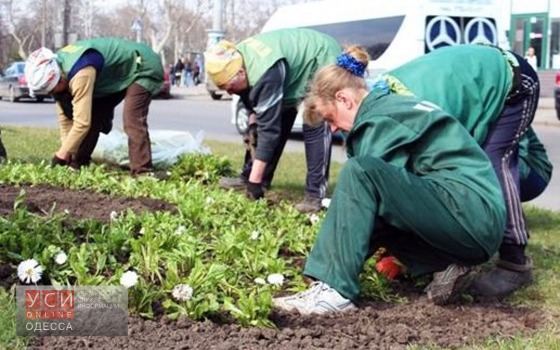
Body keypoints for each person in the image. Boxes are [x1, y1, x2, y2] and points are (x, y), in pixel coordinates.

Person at [273, 46, 506, 315]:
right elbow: (389, 207)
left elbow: (365, 204)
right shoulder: (390, 106)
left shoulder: (378, 119)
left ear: (344, 99)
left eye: (330, 118)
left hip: (469, 214)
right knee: (372, 196)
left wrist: (327, 269)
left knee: (360, 172)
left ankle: (333, 292)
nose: (333, 129)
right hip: (473, 220)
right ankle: (447, 265)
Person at [375, 44, 540, 297]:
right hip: (472, 86)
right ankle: (457, 248)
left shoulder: (409, 112)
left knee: (493, 163)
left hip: (512, 80)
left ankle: (514, 263)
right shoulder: (381, 105)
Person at [204, 28, 340, 213]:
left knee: (315, 123)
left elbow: (269, 132)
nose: (228, 92)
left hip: (320, 58)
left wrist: (254, 183)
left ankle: (315, 195)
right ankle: (254, 177)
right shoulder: (236, 57)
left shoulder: (264, 73)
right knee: (269, 123)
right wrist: (253, 120)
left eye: (229, 86)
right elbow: (251, 101)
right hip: (291, 71)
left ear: (241, 73)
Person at [24, 38, 164, 176]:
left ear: (58, 78)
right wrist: (66, 151)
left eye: (53, 89)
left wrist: (61, 154)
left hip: (142, 65)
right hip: (116, 74)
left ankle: (143, 172)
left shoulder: (81, 73)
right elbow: (65, 120)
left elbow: (82, 123)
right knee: (93, 114)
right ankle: (77, 165)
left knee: (131, 119)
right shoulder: (58, 68)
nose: (52, 93)